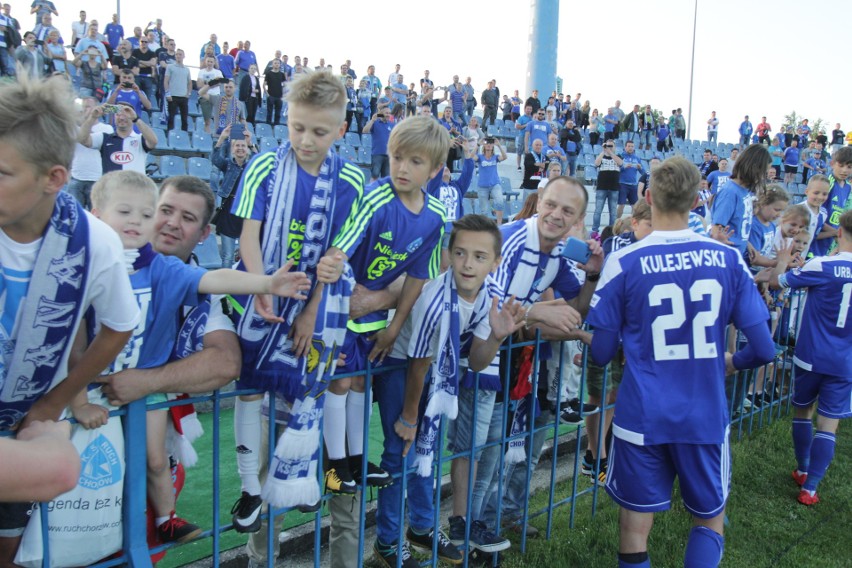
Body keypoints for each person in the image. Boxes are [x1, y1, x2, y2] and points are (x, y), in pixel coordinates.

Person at [78, 171, 310, 544]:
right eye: (164, 210)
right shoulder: (90, 262)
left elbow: (225, 363)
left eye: (187, 218)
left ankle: (165, 519)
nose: (171, 223)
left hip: (142, 422)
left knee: (134, 531)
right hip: (77, 419)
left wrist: (144, 381)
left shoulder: (181, 277)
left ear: (204, 234)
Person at [587, 156, 774, 568]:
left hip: (642, 414)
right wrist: (730, 360)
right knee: (709, 519)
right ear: (696, 202)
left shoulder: (625, 260)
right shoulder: (726, 259)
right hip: (702, 414)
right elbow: (764, 350)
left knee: (634, 528)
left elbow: (600, 354)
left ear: (648, 196)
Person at [0, 74, 140, 566]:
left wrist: (58, 400)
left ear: (54, 178)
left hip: (20, 426)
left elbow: (120, 324)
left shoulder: (93, 240)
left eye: (1, 172)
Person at [227, 71, 368, 526]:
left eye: (319, 131)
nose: (305, 140)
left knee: (303, 390)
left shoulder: (351, 180)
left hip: (317, 304)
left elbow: (336, 256)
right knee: (249, 391)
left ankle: (300, 474)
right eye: (297, 127)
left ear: (341, 131)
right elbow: (250, 236)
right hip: (262, 293)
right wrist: (261, 285)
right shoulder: (264, 166)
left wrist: (310, 309)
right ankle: (250, 487)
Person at [459, 176, 603, 554]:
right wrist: (538, 312)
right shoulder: (510, 239)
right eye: (551, 204)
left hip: (502, 353)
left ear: (578, 219)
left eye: (567, 211)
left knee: (492, 451)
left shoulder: (557, 252)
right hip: (472, 355)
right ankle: (461, 536)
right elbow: (491, 306)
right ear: (539, 200)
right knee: (474, 453)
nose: (555, 215)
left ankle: (477, 533)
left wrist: (592, 273)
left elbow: (576, 310)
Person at [374, 215, 524, 568]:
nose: (468, 264)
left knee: (428, 450)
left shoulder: (490, 296)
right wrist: (409, 417)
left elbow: (476, 359)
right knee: (400, 451)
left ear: (496, 261)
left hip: (439, 374)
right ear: (448, 254)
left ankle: (422, 526)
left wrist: (498, 336)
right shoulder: (434, 299)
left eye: (479, 256)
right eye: (460, 253)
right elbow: (417, 365)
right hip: (403, 369)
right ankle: (387, 539)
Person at [323, 116, 449, 498]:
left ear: (435, 169)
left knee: (360, 380)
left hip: (375, 313)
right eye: (396, 157)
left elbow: (417, 277)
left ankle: (358, 461)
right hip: (340, 302)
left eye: (414, 161)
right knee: (339, 380)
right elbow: (341, 247)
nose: (402, 168)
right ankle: (334, 465)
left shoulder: (436, 217)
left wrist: (395, 326)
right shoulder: (377, 196)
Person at [756, 210, 852, 506]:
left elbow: (776, 283)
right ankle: (810, 488)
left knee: (803, 413)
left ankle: (802, 467)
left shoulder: (821, 264)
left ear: (838, 232)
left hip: (811, 355)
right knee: (829, 424)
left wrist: (783, 258)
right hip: (845, 361)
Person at [711, 144, 772, 257]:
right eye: (764, 173)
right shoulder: (730, 193)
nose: (764, 177)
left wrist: (747, 245)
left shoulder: (744, 191)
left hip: (738, 256)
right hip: (726, 258)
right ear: (754, 167)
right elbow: (716, 231)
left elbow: (738, 227)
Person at [213, 125, 256, 268]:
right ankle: (225, 288)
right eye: (237, 145)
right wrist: (222, 138)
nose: (240, 148)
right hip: (228, 214)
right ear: (232, 149)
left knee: (246, 257)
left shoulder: (251, 166)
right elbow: (215, 159)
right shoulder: (228, 165)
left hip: (244, 214)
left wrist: (251, 143)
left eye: (243, 146)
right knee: (228, 257)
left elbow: (261, 161)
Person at [77, 102, 158, 174]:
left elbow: (153, 142)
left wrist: (136, 118)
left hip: (135, 188)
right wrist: (92, 117)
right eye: (118, 114)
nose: (121, 118)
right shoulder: (104, 138)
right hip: (111, 189)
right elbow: (83, 139)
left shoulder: (140, 139)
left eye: (125, 115)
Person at [812, 147, 852, 256]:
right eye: (841, 165)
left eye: (849, 167)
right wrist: (836, 233)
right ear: (832, 164)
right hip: (815, 240)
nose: (845, 170)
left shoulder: (848, 187)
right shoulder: (826, 183)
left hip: (831, 240)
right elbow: (814, 216)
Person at [592, 140, 623, 238]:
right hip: (602, 187)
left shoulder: (618, 156)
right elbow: (596, 164)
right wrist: (603, 151)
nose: (609, 147)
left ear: (614, 147)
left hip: (614, 188)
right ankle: (595, 231)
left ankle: (612, 232)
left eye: (611, 146)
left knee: (613, 212)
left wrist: (610, 153)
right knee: (598, 210)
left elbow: (620, 163)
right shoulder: (601, 156)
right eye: (608, 145)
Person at [473, 137, 507, 224]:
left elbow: (505, 157)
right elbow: (471, 156)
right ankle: (485, 227)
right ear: (484, 146)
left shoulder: (495, 157)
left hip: (495, 184)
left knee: (500, 202)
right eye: (487, 143)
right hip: (482, 186)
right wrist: (478, 144)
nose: (488, 145)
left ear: (493, 146)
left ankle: (499, 225)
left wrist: (499, 145)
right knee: (484, 210)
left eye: (490, 143)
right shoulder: (480, 157)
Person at [164, 48, 191, 132]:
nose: (178, 56)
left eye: (180, 54)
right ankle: (169, 134)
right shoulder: (170, 67)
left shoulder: (187, 69)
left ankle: (184, 136)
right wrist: (168, 94)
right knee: (171, 118)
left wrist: (188, 94)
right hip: (173, 96)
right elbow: (166, 81)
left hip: (183, 97)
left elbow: (189, 82)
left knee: (184, 119)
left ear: (184, 56)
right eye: (177, 54)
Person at [363, 110, 395, 182]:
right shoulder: (375, 123)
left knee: (386, 178)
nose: (388, 115)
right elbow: (364, 131)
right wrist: (372, 120)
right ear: (381, 114)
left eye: (389, 113)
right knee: (375, 175)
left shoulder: (392, 124)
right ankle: (372, 192)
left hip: (388, 155)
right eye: (386, 113)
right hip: (377, 154)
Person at [616, 140, 644, 219]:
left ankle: (632, 224)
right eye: (629, 146)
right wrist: (624, 167)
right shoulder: (620, 156)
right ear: (625, 147)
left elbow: (643, 172)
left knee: (635, 207)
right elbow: (616, 169)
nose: (630, 148)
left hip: (633, 185)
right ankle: (615, 223)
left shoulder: (637, 158)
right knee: (621, 205)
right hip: (622, 184)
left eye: (632, 146)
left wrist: (640, 168)